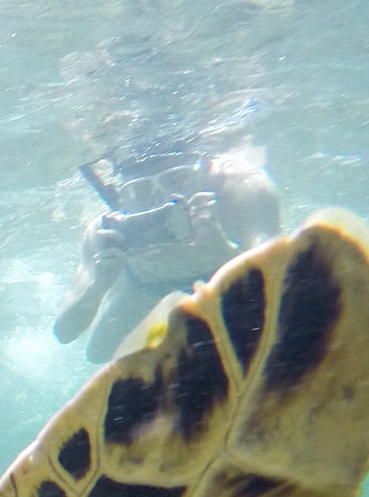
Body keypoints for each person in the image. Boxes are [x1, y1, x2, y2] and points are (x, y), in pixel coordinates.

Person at [53, 131, 281, 364]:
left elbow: (282, 290)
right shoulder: (106, 231)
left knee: (265, 332)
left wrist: (227, 255)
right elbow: (65, 333)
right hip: (146, 286)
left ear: (204, 175)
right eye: (140, 189)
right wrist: (99, 285)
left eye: (177, 179)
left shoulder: (242, 190)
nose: (162, 198)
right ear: (121, 199)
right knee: (99, 352)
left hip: (226, 280)